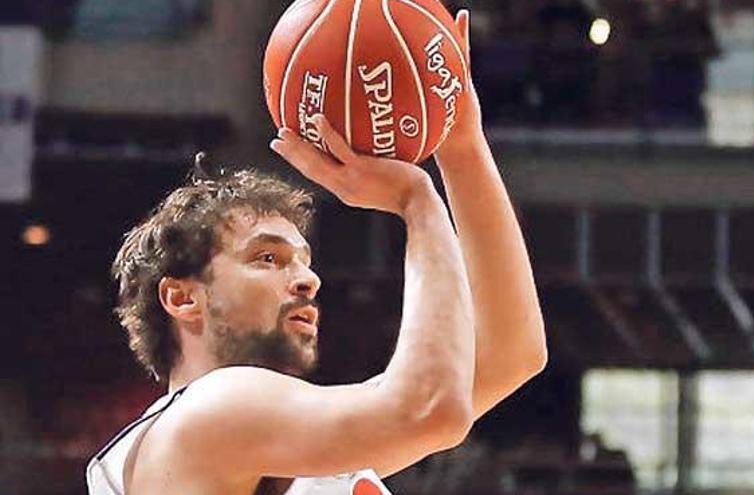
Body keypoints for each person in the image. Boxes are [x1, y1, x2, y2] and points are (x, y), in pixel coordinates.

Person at [86, 10, 547, 495]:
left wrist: (460, 142)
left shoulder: (277, 440)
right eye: (267, 259)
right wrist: (418, 203)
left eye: (305, 260)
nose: (308, 280)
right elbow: (431, 408)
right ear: (183, 298)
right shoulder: (209, 412)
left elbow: (511, 357)